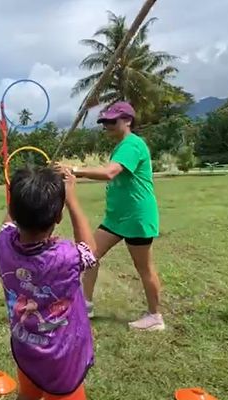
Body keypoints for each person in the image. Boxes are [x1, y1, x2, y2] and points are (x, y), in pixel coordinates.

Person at [0, 165, 97, 400]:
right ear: (59, 216)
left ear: (12, 207)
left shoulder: (3, 243)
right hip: (62, 360)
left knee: (28, 394)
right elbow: (90, 250)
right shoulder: (65, 257)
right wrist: (71, 198)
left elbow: (8, 223)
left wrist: (27, 189)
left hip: (26, 349)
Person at [69, 101, 164, 331]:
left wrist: (74, 170)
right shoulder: (123, 145)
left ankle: (155, 317)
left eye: (113, 121)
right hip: (117, 218)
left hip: (136, 217)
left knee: (144, 268)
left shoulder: (132, 144)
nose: (107, 125)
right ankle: (86, 305)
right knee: (90, 255)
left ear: (128, 121)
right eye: (104, 122)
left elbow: (110, 173)